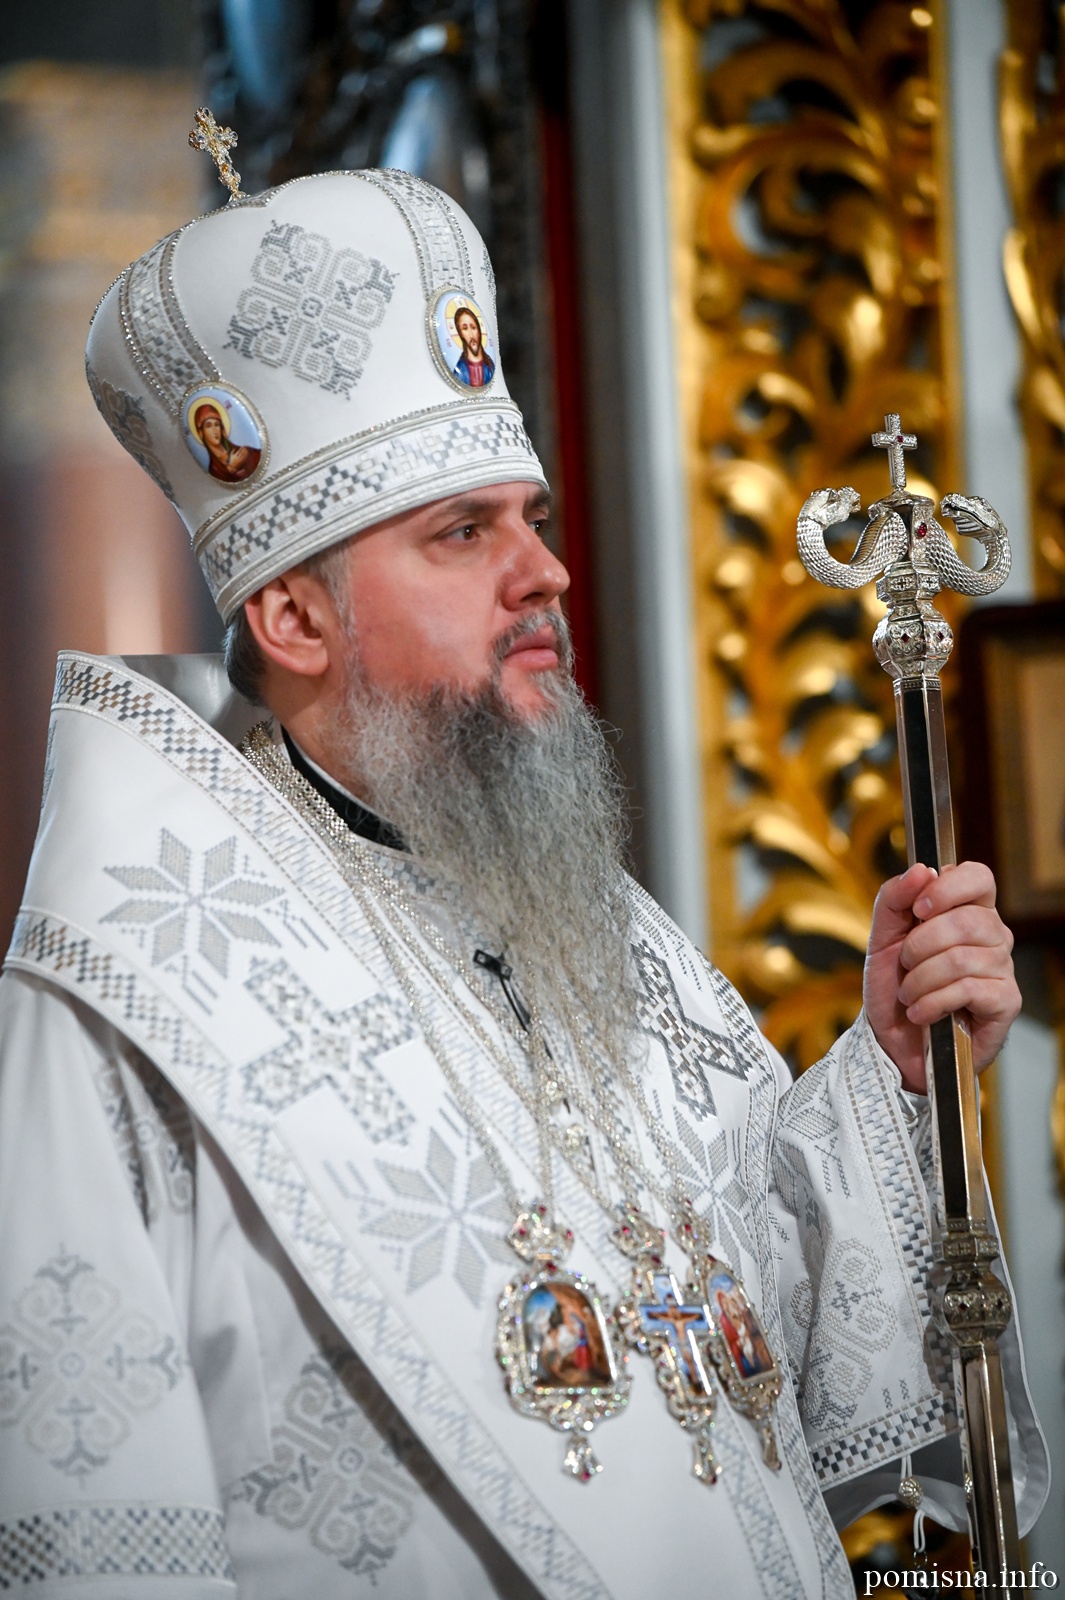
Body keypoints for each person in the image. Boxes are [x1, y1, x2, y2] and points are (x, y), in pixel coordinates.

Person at [0, 167, 1048, 1599]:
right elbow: (97, 1527)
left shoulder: (583, 918)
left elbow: (746, 1366)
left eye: (532, 518)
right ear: (292, 615)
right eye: (463, 533)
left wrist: (896, 1076)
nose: (544, 570)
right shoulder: (132, 999)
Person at [190, 399, 261, 482]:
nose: (215, 430)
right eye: (208, 426)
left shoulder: (242, 451)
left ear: (222, 428)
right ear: (201, 433)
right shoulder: (214, 469)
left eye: (217, 424)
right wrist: (231, 468)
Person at [453, 302, 495, 386]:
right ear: (461, 334)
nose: (471, 335)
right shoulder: (460, 369)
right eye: (465, 328)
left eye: (473, 327)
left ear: (479, 331)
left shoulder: (490, 366)